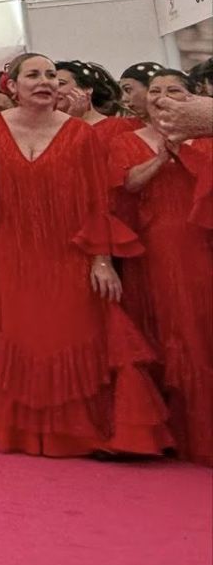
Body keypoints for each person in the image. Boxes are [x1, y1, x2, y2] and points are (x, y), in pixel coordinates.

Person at [0, 53, 168, 457]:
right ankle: (22, 431)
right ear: (13, 86)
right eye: (33, 75)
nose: (44, 81)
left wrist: (102, 259)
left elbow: (96, 201)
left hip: (66, 252)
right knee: (15, 338)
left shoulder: (81, 135)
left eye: (51, 75)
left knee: (72, 334)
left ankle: (78, 431)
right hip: (4, 253)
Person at [107, 68, 213, 465]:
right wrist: (162, 156)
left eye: (174, 89)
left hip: (197, 244)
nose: (162, 95)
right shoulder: (124, 140)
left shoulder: (204, 139)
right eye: (155, 90)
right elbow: (128, 184)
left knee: (196, 332)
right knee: (164, 332)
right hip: (152, 247)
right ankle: (173, 432)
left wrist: (184, 146)